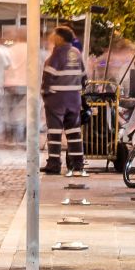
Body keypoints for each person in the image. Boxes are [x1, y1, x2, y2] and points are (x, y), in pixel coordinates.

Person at [42, 25, 88, 174]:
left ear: (59, 38)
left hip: (57, 99)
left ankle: (54, 164)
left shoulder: (57, 53)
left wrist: (45, 93)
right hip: (74, 99)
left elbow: (48, 76)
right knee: (74, 132)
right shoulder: (76, 52)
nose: (50, 37)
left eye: (53, 35)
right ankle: (78, 165)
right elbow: (84, 77)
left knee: (54, 132)